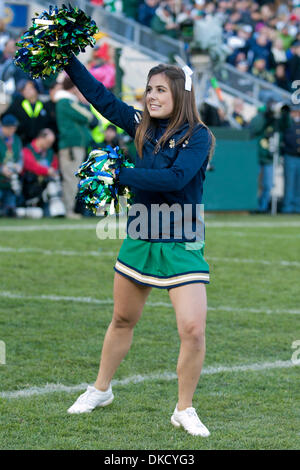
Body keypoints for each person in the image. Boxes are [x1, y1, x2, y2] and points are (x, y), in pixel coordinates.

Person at [64, 53, 215, 438]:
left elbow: (176, 178)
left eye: (160, 90)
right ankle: (101, 389)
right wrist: (66, 58)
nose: (151, 96)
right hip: (141, 234)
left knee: (193, 328)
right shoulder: (141, 126)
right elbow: (102, 98)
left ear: (180, 95)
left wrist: (119, 175)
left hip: (182, 239)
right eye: (149, 89)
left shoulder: (198, 135)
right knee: (122, 319)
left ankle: (184, 408)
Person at [55, 76, 94, 219]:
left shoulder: (66, 101)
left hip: (74, 145)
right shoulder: (66, 101)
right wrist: (78, 99)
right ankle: (68, 210)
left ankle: (69, 209)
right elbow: (87, 116)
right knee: (71, 178)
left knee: (72, 178)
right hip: (71, 146)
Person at [2, 79, 49, 145]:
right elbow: (5, 116)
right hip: (20, 140)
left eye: (30, 88)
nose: (27, 91)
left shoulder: (43, 106)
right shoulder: (18, 103)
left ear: (36, 89)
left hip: (38, 143)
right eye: (24, 90)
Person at [0, 114, 23, 216]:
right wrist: (1, 168)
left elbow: (20, 158)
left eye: (14, 129)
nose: (12, 131)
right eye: (10, 129)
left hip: (10, 182)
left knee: (10, 212)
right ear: (3, 127)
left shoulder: (17, 140)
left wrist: (18, 166)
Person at [281, 105, 300, 214]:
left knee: (299, 184)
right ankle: (287, 207)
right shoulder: (287, 123)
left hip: (298, 156)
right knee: (289, 183)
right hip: (290, 155)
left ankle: (297, 207)